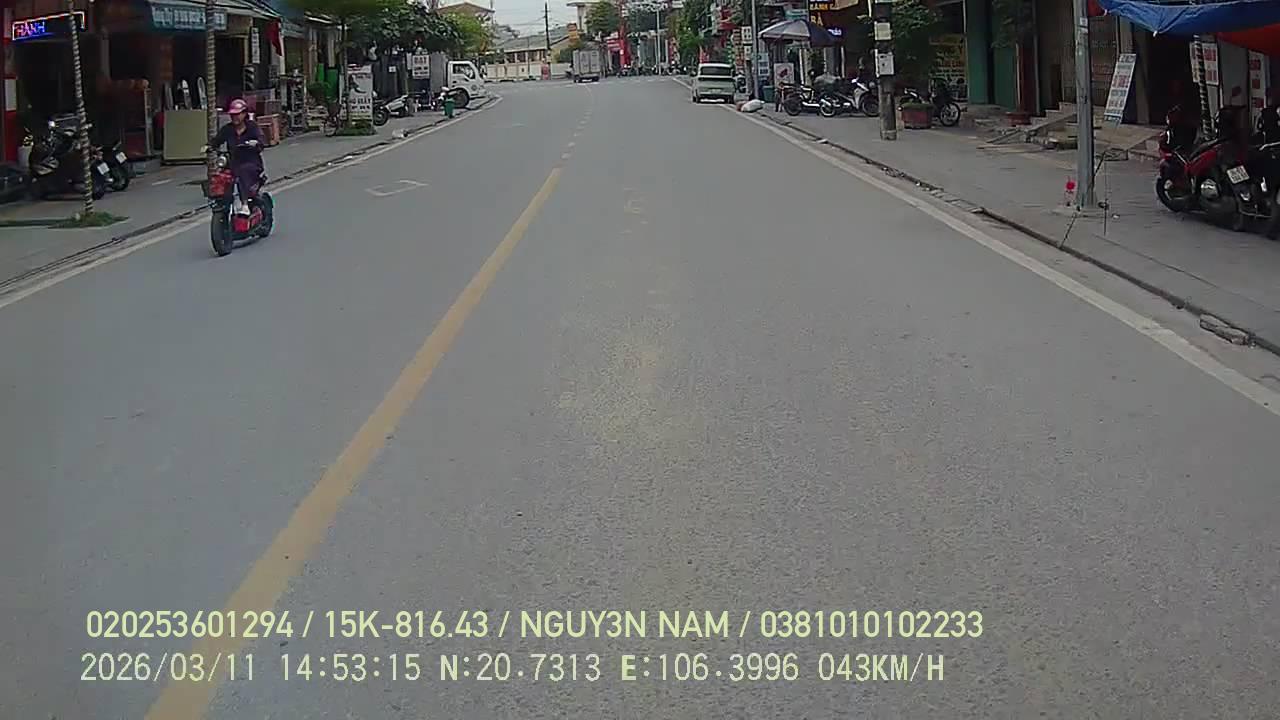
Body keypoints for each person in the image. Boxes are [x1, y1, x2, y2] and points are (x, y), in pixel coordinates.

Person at [208, 98, 265, 202]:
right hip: (233, 162)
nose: (235, 117)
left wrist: (256, 143)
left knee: (243, 172)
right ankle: (222, 204)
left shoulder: (252, 127)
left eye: (237, 114)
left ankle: (244, 204)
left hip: (251, 162)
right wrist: (209, 146)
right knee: (221, 177)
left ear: (244, 114)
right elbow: (217, 140)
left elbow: (261, 140)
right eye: (232, 115)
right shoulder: (227, 129)